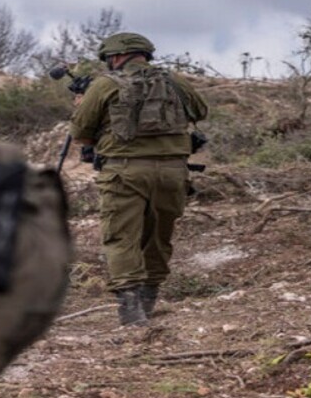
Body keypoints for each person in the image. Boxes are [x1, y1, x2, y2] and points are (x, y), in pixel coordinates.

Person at [69, 32, 208, 326]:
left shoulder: (104, 85)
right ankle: (149, 298)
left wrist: (82, 105)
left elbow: (81, 135)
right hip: (173, 172)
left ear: (116, 57)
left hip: (124, 172)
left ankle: (132, 313)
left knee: (121, 237)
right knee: (158, 237)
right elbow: (200, 111)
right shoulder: (174, 81)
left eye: (109, 59)